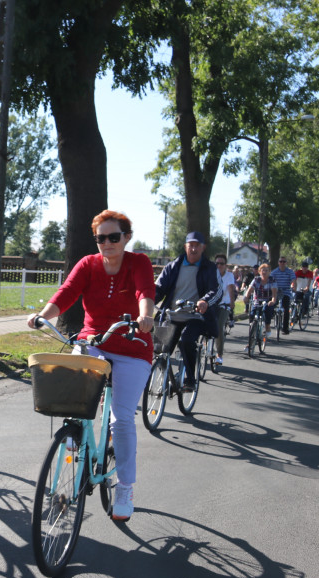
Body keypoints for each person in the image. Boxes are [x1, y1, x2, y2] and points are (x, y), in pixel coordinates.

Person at [27, 210, 155, 521]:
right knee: (69, 395)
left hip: (132, 347)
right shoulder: (88, 264)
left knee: (120, 420)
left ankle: (124, 487)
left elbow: (144, 292)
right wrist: (45, 314)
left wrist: (145, 316)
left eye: (114, 237)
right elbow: (67, 292)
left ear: (126, 238)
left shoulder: (138, 263)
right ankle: (76, 435)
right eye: (101, 238)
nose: (107, 243)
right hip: (92, 343)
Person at [154, 231, 221, 391]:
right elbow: (159, 288)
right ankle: (168, 379)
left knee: (186, 341)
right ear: (185, 246)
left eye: (197, 246)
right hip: (172, 315)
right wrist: (147, 300)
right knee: (159, 349)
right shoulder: (173, 266)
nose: (193, 249)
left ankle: (189, 379)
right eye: (191, 245)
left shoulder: (210, 268)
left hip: (196, 316)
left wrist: (205, 301)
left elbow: (217, 290)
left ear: (203, 248)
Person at [243, 263, 278, 352]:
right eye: (263, 270)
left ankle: (267, 325)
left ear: (269, 272)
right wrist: (246, 297)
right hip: (257, 300)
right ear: (259, 271)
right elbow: (249, 290)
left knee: (267, 309)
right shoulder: (256, 280)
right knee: (252, 316)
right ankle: (250, 341)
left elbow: (274, 294)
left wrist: (273, 301)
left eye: (267, 270)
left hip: (268, 300)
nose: (264, 272)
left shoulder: (272, 279)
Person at [212, 254, 237, 365]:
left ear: (225, 265)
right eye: (217, 263)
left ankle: (219, 355)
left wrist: (231, 302)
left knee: (218, 327)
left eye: (221, 263)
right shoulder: (212, 274)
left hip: (224, 304)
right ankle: (204, 344)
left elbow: (231, 289)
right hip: (212, 304)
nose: (219, 265)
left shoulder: (229, 275)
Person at [269, 256, 296, 334]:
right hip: (276, 292)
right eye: (281, 261)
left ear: (286, 263)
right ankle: (267, 325)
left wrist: (294, 286)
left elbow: (293, 280)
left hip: (286, 292)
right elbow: (270, 280)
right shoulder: (274, 272)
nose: (282, 263)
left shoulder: (290, 272)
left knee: (286, 308)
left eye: (284, 262)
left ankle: (285, 328)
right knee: (270, 306)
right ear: (278, 262)